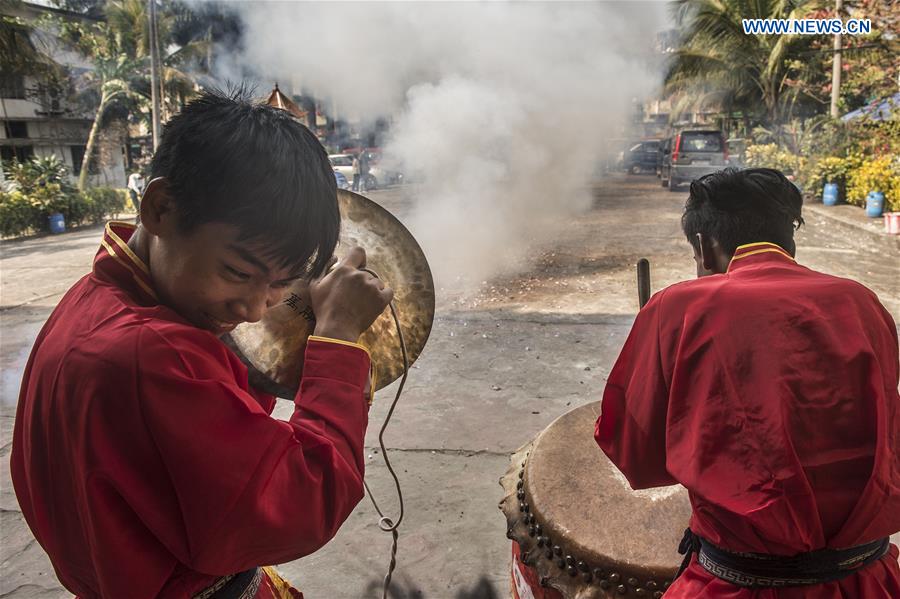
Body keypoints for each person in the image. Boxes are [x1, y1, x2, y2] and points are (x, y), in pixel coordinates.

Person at [11, 90, 393, 598]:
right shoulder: (149, 355)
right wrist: (338, 338)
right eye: (238, 272)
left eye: (282, 283)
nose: (256, 308)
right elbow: (301, 501)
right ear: (161, 209)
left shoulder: (94, 298)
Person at [595, 168, 899, 598]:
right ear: (788, 238)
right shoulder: (861, 302)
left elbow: (636, 455)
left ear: (703, 246)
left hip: (733, 586)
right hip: (869, 581)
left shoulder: (678, 307)